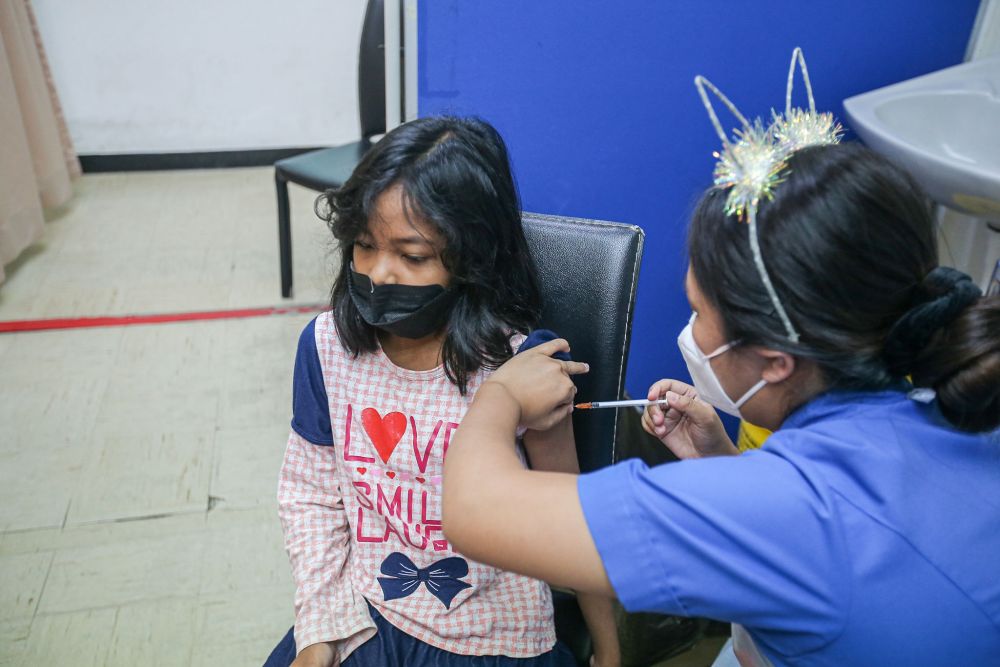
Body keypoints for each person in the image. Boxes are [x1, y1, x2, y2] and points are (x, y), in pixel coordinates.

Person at [441, 136, 1000, 664]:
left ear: (775, 361)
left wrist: (502, 392)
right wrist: (722, 465)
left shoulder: (783, 511)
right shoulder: (951, 406)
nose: (691, 332)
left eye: (700, 313)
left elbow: (473, 513)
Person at [269, 116, 620, 667]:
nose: (379, 273)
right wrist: (318, 632)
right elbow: (310, 497)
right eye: (363, 245)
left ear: (470, 258)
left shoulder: (522, 365)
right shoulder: (326, 347)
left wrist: (608, 648)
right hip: (367, 618)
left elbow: (569, 518)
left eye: (412, 257)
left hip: (493, 639)